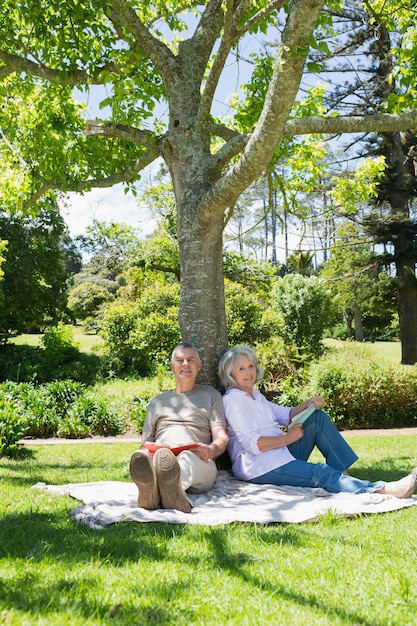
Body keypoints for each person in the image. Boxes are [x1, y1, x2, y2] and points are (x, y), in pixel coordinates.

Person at [217, 345, 417, 499]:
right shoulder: (233, 400)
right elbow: (254, 444)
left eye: (251, 366)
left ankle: (344, 477)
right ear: (230, 375)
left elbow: (286, 415)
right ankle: (386, 490)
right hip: (260, 466)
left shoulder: (255, 395)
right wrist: (288, 438)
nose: (248, 372)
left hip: (281, 454)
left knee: (317, 419)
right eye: (241, 368)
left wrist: (309, 404)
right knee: (320, 472)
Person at [129, 342, 229, 513]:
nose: (185, 364)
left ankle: (162, 491)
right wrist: (146, 453)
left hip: (198, 461)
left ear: (199, 365)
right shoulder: (157, 402)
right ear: (172, 366)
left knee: (185, 460)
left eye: (190, 360)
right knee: (145, 457)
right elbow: (146, 442)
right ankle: (159, 491)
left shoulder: (211, 395)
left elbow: (222, 436)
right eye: (180, 360)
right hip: (161, 455)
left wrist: (211, 450)